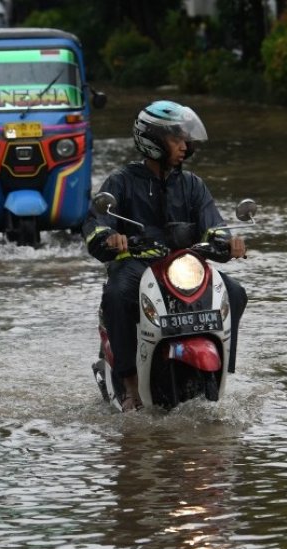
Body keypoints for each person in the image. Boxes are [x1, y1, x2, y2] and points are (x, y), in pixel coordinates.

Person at [83, 100, 248, 411]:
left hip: (183, 266)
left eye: (186, 139)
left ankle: (225, 369)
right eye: (176, 139)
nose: (185, 146)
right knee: (117, 295)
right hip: (137, 266)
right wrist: (111, 238)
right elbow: (95, 226)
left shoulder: (192, 185)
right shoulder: (121, 182)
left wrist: (228, 243)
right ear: (153, 141)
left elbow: (214, 225)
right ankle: (130, 385)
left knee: (235, 292)